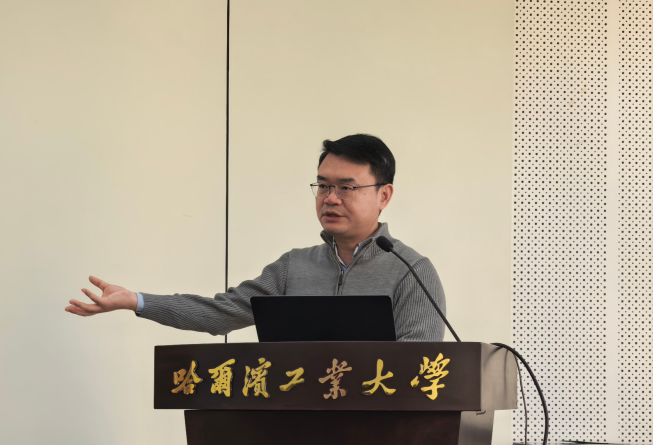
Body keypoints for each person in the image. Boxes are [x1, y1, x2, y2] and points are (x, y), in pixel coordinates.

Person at [65, 133, 446, 341]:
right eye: (323, 186)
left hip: (380, 439)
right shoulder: (294, 267)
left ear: (383, 195)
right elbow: (220, 314)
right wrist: (137, 300)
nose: (330, 198)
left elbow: (420, 369)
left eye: (346, 187)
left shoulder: (411, 271)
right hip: (294, 434)